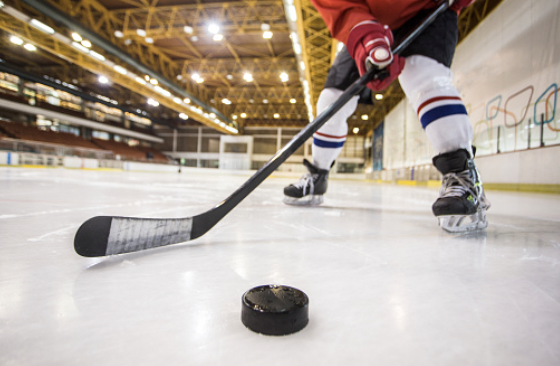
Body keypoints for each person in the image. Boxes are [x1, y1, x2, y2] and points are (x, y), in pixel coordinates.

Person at [283, 0, 490, 233]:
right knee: (331, 100)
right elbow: (341, 7)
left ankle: (462, 175)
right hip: (368, 22)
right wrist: (368, 41)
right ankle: (317, 176)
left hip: (427, 10)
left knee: (424, 76)